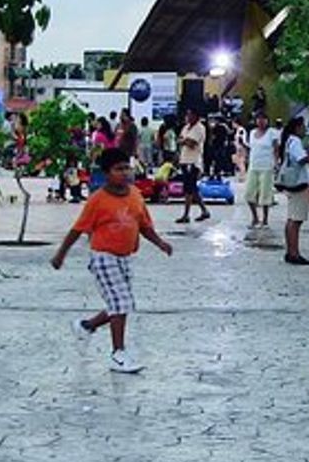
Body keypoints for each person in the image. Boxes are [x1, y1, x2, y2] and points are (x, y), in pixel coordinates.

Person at [50, 148, 174, 373]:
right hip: (103, 256)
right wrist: (61, 254)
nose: (125, 173)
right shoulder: (98, 200)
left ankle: (86, 326)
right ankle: (118, 354)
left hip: (125, 256)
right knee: (121, 303)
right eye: (118, 169)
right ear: (106, 173)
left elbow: (144, 225)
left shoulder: (136, 194)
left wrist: (160, 243)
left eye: (127, 167)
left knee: (120, 304)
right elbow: (77, 229)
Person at [278, 117, 309, 265]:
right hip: (299, 183)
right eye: (303, 126)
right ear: (297, 128)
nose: (305, 129)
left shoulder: (289, 141)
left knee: (292, 218)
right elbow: (301, 159)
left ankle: (290, 251)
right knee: (296, 219)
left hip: (292, 182)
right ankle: (294, 252)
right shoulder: (296, 142)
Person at [175, 108, 210, 223]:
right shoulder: (186, 128)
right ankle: (204, 210)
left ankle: (186, 214)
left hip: (193, 161)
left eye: (190, 115)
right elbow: (180, 140)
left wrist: (184, 141)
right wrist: (185, 140)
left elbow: (192, 143)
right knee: (191, 188)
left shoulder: (200, 128)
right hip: (185, 160)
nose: (188, 117)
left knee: (189, 188)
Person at [244, 112, 277, 228]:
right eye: (258, 119)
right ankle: (255, 218)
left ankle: (265, 220)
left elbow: (276, 149)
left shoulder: (272, 133)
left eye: (263, 118)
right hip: (253, 166)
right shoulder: (252, 133)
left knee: (265, 194)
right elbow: (250, 148)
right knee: (249, 193)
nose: (261, 121)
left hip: (267, 166)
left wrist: (276, 163)